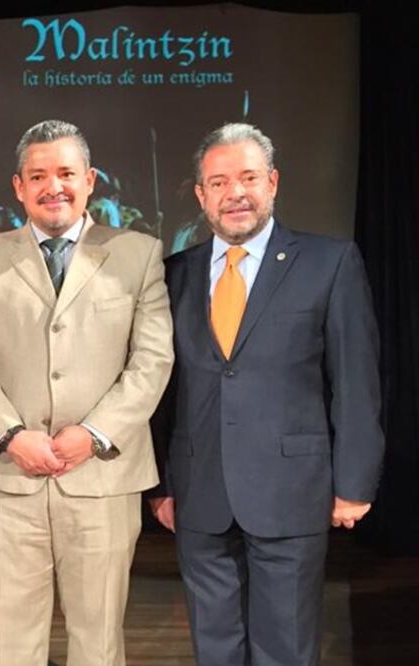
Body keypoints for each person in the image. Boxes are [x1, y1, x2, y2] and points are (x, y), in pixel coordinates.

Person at [148, 122, 384, 666]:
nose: (236, 192)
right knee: (216, 648)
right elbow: (160, 391)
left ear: (273, 182)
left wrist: (353, 482)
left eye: (249, 177)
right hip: (198, 494)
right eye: (219, 181)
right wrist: (160, 483)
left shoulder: (330, 263)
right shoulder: (172, 276)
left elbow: (356, 382)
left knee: (285, 649)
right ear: (202, 194)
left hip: (293, 493)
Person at [0, 119, 174, 666]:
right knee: (15, 640)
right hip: (9, 477)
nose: (55, 186)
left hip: (102, 476)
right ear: (18, 186)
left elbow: (152, 360)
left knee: (98, 641)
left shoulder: (138, 253)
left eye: (67, 173)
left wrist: (93, 434)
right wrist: (8, 435)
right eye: (39, 175)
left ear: (90, 179)